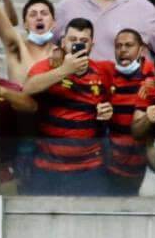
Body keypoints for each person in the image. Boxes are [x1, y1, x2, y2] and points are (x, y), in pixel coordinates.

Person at [23, 18, 115, 195]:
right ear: (63, 42)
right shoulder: (49, 66)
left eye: (84, 41)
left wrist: (107, 111)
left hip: (89, 168)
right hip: (48, 165)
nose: (78, 44)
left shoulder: (102, 72)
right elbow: (28, 88)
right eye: (73, 40)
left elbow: (107, 104)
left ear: (91, 45)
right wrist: (65, 70)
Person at [107, 29, 155, 195]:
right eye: (118, 46)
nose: (123, 50)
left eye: (129, 45)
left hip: (148, 166)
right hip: (114, 166)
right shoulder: (108, 76)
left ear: (141, 49)